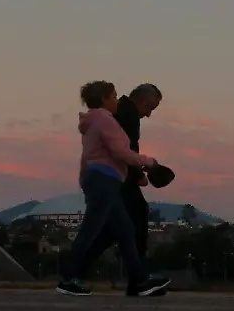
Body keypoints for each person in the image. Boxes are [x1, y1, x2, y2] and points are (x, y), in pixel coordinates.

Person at [57, 81, 171, 297]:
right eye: (113, 96)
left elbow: (90, 156)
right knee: (91, 230)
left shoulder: (95, 121)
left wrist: (85, 179)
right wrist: (150, 163)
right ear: (104, 99)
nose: (117, 100)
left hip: (103, 179)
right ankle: (69, 278)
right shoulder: (105, 120)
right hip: (105, 180)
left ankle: (139, 280)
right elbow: (122, 151)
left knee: (125, 230)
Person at [114, 83, 163, 261]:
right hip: (121, 175)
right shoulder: (129, 115)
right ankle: (139, 272)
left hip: (112, 174)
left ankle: (73, 272)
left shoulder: (120, 110)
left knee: (110, 226)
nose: (149, 114)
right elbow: (128, 150)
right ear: (142, 100)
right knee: (138, 215)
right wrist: (139, 175)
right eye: (150, 108)